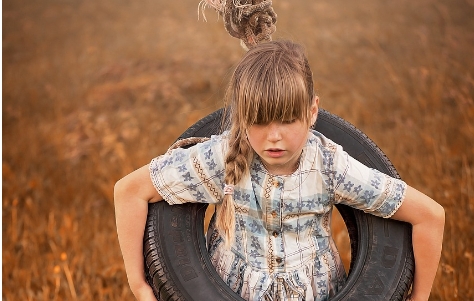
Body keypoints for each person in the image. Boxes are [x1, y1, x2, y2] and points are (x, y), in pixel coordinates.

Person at [114, 40, 445, 301]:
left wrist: (419, 296)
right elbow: (129, 191)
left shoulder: (329, 166)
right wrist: (140, 285)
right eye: (258, 121)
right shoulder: (221, 157)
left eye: (288, 120)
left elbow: (429, 216)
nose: (274, 137)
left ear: (312, 111)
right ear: (242, 116)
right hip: (224, 290)